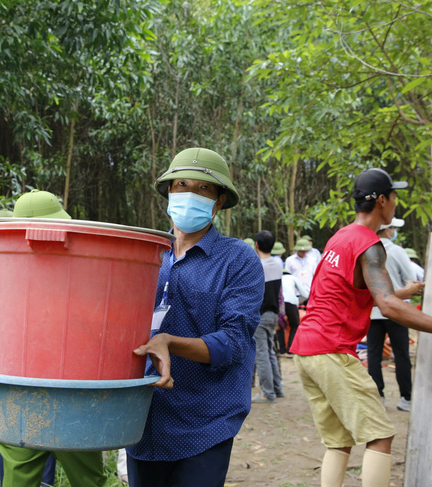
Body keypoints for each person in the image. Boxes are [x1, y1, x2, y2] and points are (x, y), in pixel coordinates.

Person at [290, 168, 432, 487]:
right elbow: (386, 307)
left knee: (338, 440)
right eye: (394, 197)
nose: (396, 203)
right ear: (381, 200)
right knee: (381, 436)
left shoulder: (340, 237)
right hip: (332, 351)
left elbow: (346, 295)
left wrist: (400, 292)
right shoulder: (370, 245)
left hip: (306, 350)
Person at [126, 147, 264, 487]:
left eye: (203, 189)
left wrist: (169, 342)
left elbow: (233, 342)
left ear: (218, 202)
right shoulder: (146, 254)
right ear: (168, 193)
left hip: (205, 421)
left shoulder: (238, 260)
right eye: (182, 185)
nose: (190, 194)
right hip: (141, 417)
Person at [0, 194, 105, 487]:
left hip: (16, 390)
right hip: (72, 392)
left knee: (18, 476)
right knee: (88, 479)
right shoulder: (82, 268)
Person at [367, 218, 424, 412]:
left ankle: (378, 396)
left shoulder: (366, 251)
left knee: (374, 355)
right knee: (401, 355)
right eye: (393, 228)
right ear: (388, 231)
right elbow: (411, 280)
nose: (394, 231)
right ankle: (406, 398)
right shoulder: (397, 251)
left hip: (373, 310)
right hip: (396, 309)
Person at [252, 230, 284, 403]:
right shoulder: (278, 264)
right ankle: (277, 388)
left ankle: (267, 393)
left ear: (256, 245)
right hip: (273, 314)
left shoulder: (257, 266)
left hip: (260, 315)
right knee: (270, 352)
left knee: (262, 354)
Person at [281, 267, 308, 353]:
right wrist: (297, 301)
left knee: (281, 325)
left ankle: (281, 350)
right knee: (295, 325)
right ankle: (290, 350)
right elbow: (305, 295)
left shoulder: (277, 278)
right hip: (291, 302)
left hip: (280, 303)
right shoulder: (293, 278)